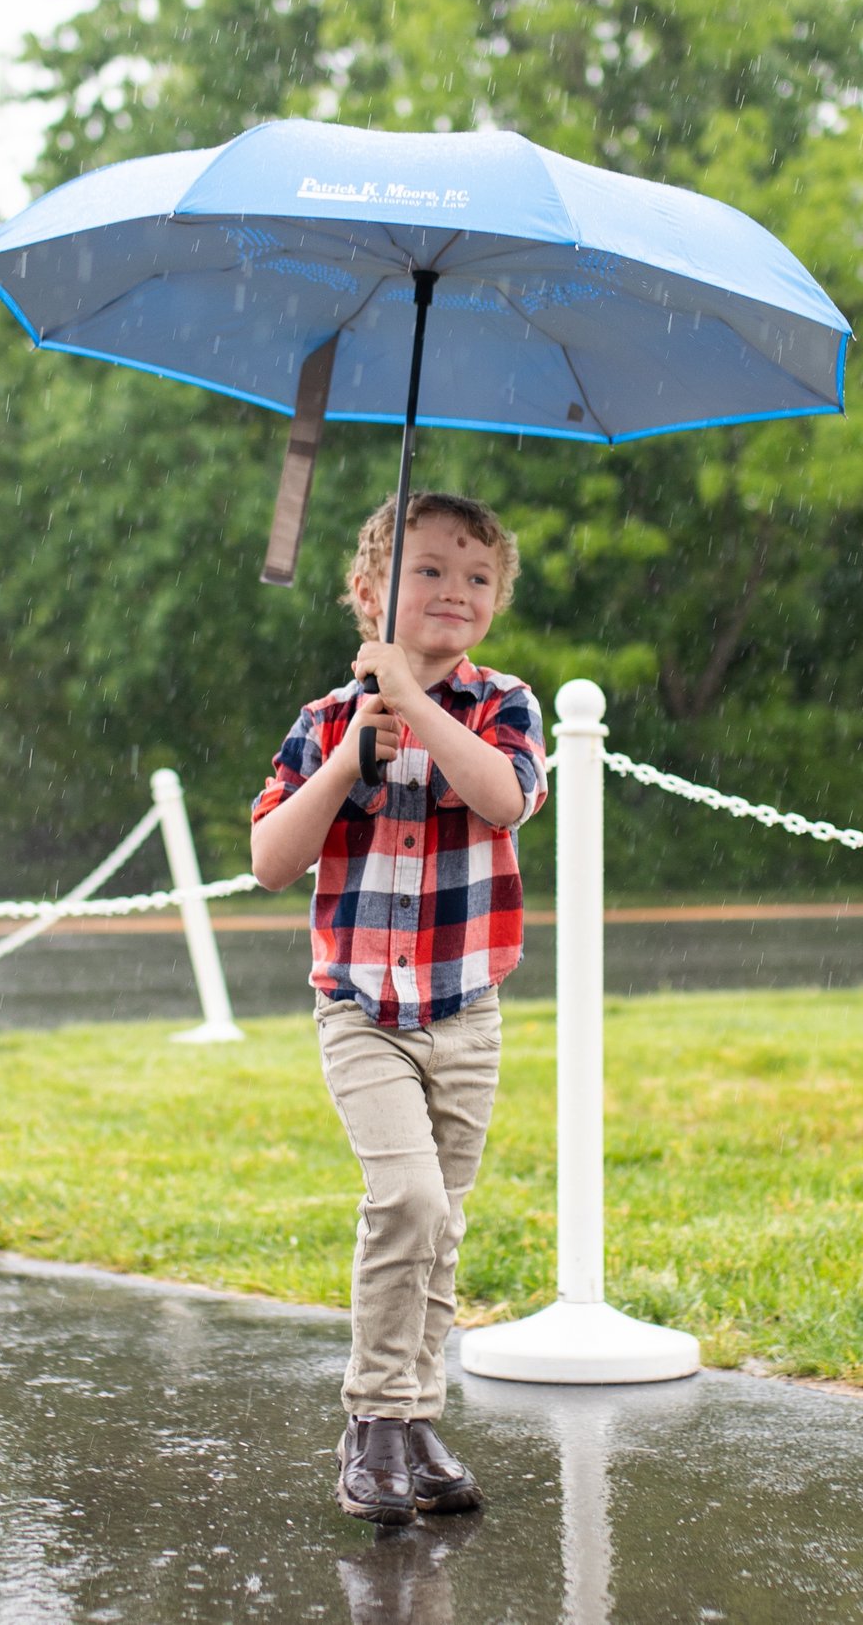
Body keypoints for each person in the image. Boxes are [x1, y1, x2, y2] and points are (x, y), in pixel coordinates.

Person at [247, 491, 546, 1527]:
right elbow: (270, 860)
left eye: (476, 576)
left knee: (443, 1224)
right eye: (428, 570)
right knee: (407, 1201)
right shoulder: (326, 720)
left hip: (465, 1008)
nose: (454, 591)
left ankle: (416, 1417)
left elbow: (502, 798)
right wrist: (348, 754)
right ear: (370, 592)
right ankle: (372, 1419)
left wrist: (416, 710)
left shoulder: (502, 702)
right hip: (363, 1009)